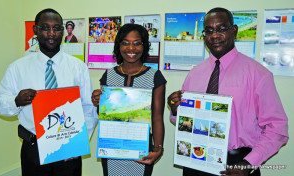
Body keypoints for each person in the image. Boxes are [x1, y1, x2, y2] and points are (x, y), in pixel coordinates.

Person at [168, 7, 288, 176]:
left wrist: (248, 163)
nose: (215, 36)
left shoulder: (258, 74)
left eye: (221, 29)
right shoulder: (195, 73)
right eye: (209, 31)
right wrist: (176, 110)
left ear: (234, 30)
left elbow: (277, 129)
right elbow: (185, 120)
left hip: (238, 164)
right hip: (195, 160)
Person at [0, 8, 98, 176]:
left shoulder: (78, 67)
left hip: (69, 151)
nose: (51, 33)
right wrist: (16, 101)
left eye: (56, 28)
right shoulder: (17, 68)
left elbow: (87, 107)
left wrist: (77, 144)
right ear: (35, 30)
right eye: (45, 27)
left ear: (62, 31)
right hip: (33, 149)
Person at [92, 23, 166, 176]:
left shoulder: (155, 76)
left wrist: (158, 149)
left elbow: (157, 117)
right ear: (118, 46)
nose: (131, 48)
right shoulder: (108, 75)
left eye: (137, 43)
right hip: (111, 148)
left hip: (141, 148)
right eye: (125, 43)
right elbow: (104, 115)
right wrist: (97, 101)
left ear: (144, 46)